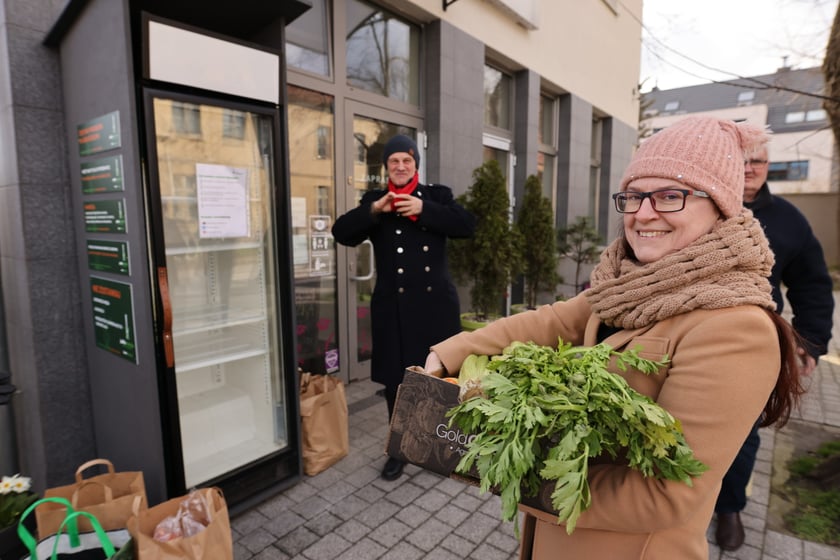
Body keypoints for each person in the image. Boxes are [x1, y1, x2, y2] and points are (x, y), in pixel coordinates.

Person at [423, 116, 805, 559]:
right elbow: (552, 320)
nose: (643, 213)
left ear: (720, 206)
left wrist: (509, 471)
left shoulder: (736, 328)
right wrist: (448, 354)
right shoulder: (626, 284)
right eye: (635, 196)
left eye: (670, 196)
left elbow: (667, 491)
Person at [332, 134, 476, 481]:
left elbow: (466, 226)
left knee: (442, 378)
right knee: (397, 382)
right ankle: (400, 448)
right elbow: (342, 232)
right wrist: (375, 210)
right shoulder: (375, 201)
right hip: (393, 310)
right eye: (394, 161)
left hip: (435, 307)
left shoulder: (436, 197)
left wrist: (423, 210)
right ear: (386, 167)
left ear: (415, 165)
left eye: (406, 161)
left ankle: (444, 444)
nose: (400, 166)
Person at [713, 142, 835, 550]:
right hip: (692, 334)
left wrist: (811, 343)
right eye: (741, 160)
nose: (750, 168)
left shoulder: (789, 220)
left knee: (744, 433)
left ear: (769, 166)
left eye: (759, 161)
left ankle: (729, 507)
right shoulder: (704, 206)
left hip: (754, 343)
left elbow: (813, 284)